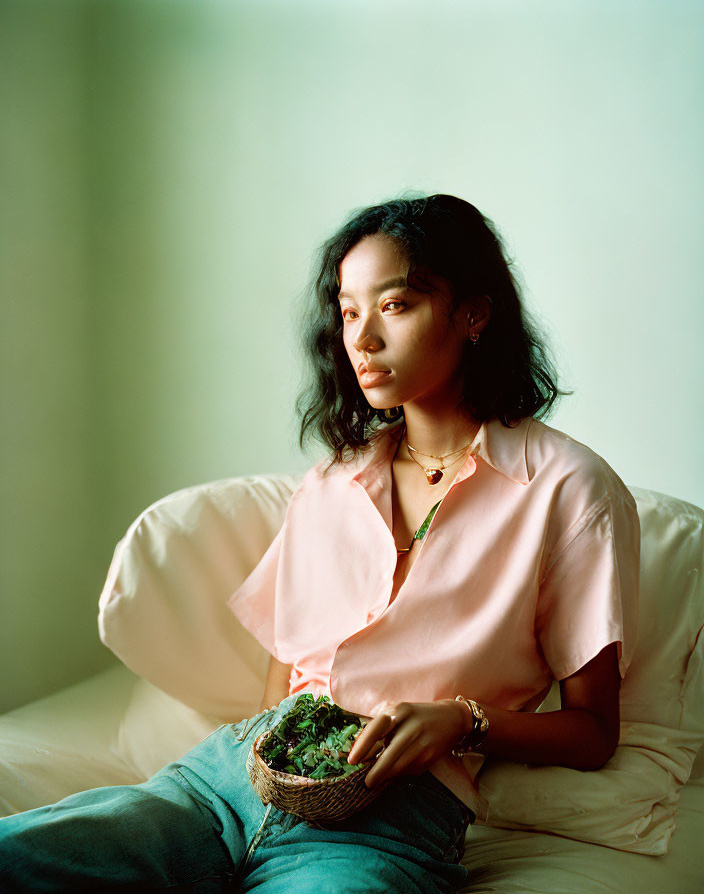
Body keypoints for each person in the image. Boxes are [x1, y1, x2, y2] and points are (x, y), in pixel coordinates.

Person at [0, 193, 640, 893]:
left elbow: (592, 731)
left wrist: (463, 722)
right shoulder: (331, 483)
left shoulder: (569, 488)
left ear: (474, 314)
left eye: (395, 306)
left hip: (393, 813)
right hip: (228, 779)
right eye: (348, 311)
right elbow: (286, 681)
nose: (362, 339)